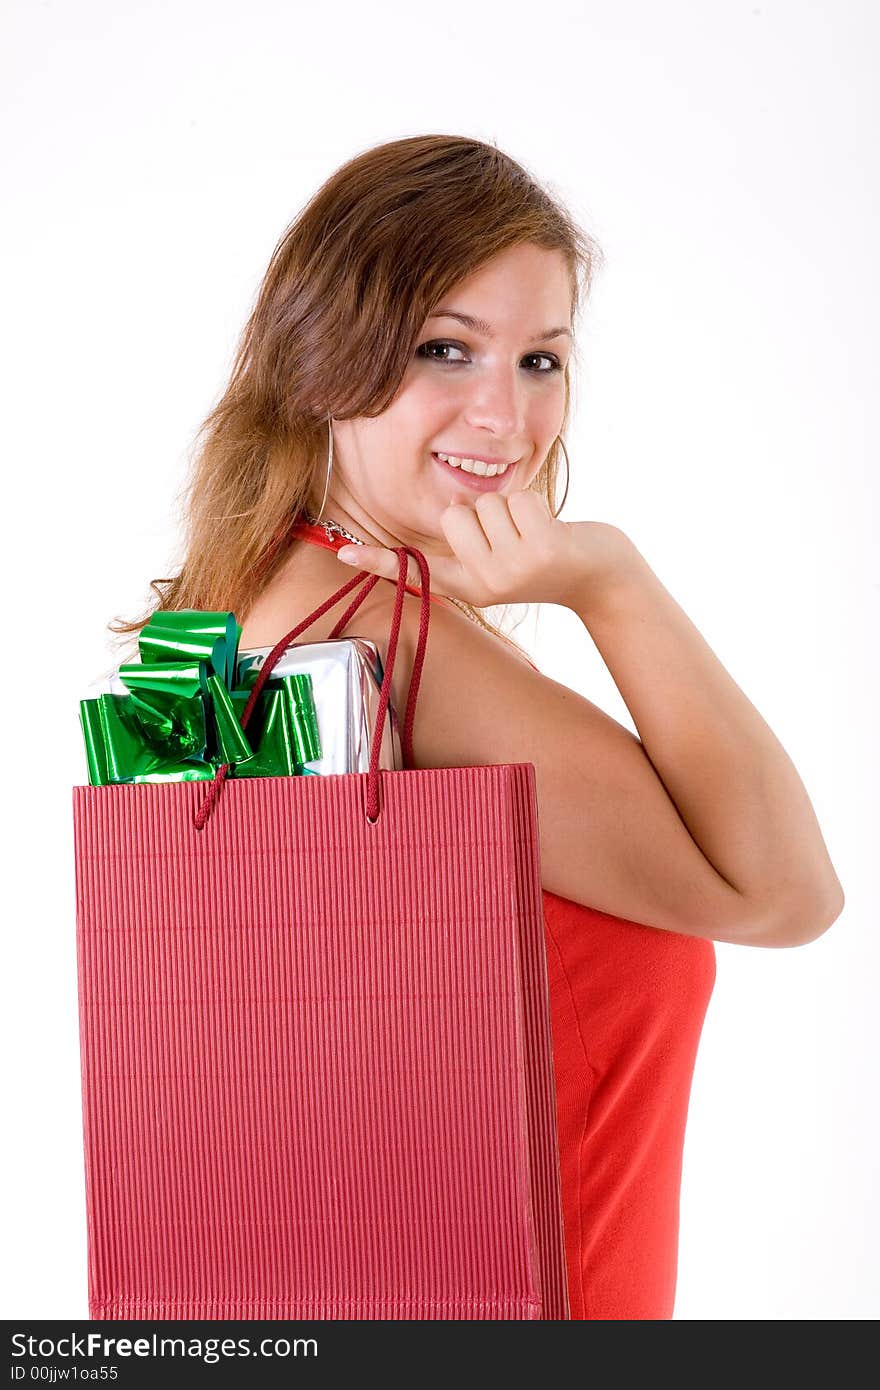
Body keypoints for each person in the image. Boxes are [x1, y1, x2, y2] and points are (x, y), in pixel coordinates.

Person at [112, 133, 845, 1319]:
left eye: (541, 358)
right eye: (443, 349)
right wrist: (613, 582)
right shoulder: (392, 645)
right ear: (319, 363)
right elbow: (783, 893)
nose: (503, 413)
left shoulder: (223, 617)